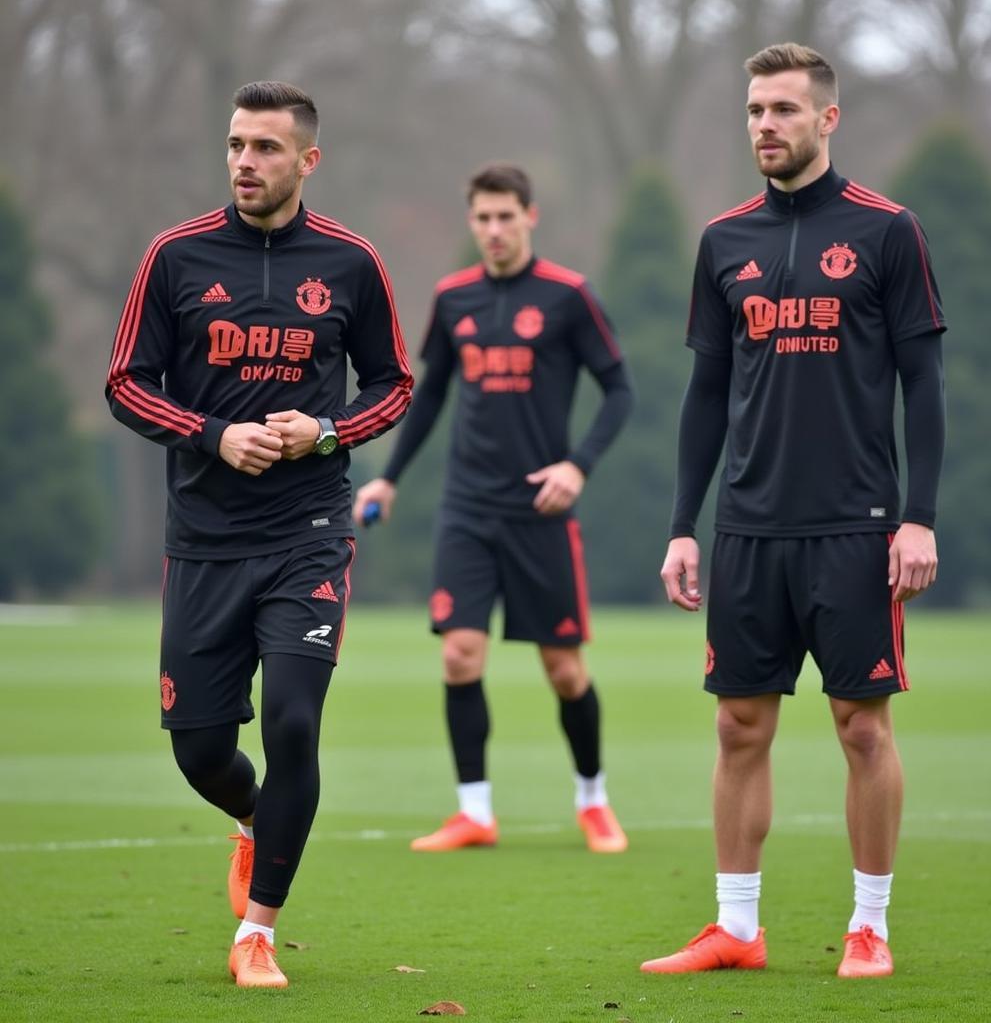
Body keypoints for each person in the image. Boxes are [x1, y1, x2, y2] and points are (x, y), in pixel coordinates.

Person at [640, 43, 945, 979]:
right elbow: (705, 393)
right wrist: (686, 524)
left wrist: (918, 515)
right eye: (754, 110)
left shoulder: (888, 231)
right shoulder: (724, 240)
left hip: (855, 525)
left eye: (782, 109)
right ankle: (736, 927)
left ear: (827, 118)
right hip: (749, 528)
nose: (765, 125)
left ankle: (870, 927)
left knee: (862, 726)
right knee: (739, 727)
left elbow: (923, 384)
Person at [105, 81, 413, 988]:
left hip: (308, 533)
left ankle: (257, 934)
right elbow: (125, 381)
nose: (245, 161)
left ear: (307, 160)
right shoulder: (175, 256)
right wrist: (212, 433)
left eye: (266, 148)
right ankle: (252, 819)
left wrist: (326, 432)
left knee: (293, 724)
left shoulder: (351, 262)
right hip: (202, 536)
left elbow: (393, 383)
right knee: (200, 749)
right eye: (237, 144)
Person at [354, 164, 633, 854]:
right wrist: (387, 479)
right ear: (471, 221)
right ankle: (474, 812)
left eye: (507, 216)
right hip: (467, 509)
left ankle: (593, 800)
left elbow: (619, 390)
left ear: (530, 216)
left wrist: (578, 465)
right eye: (483, 218)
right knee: (459, 657)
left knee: (564, 671)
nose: (495, 229)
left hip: (540, 511)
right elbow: (432, 395)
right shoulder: (453, 299)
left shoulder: (568, 296)